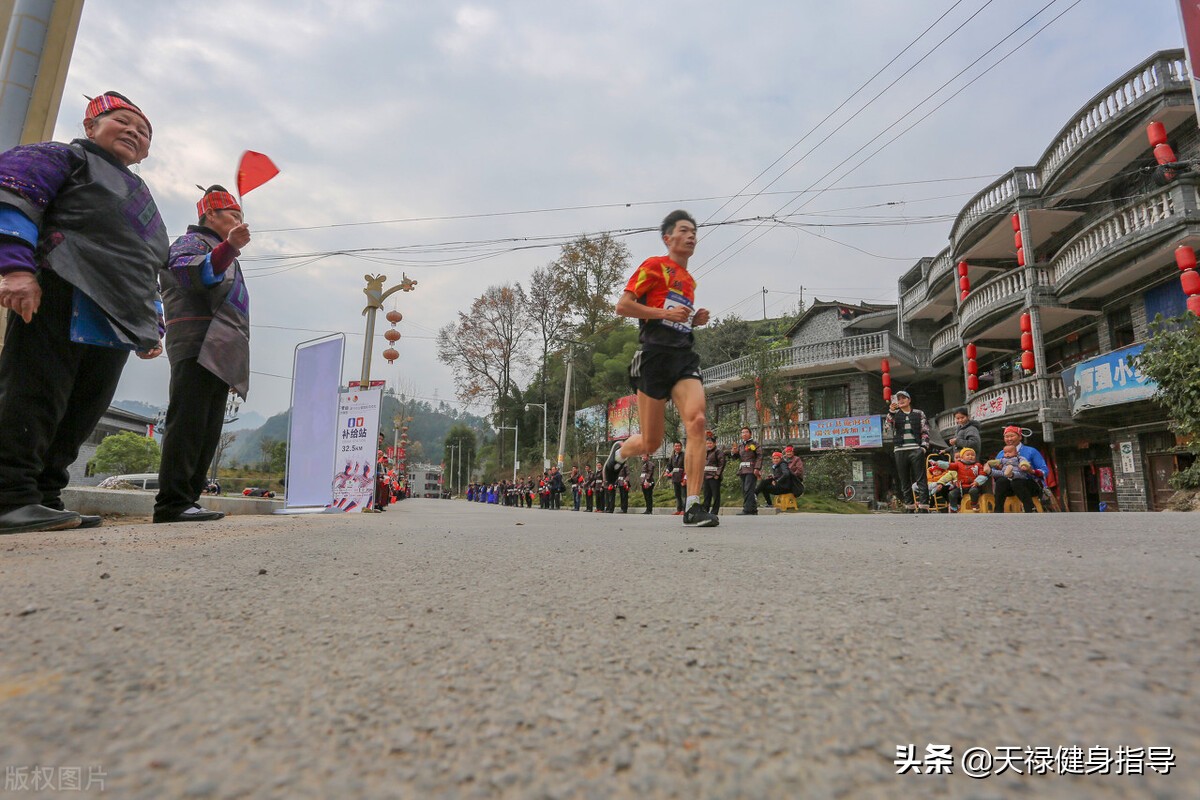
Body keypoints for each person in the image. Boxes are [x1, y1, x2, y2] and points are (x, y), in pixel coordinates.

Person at [0, 92, 166, 534]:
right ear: (91, 126)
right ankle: (9, 497)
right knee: (34, 395)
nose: (133, 131)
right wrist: (16, 269)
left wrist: (151, 322)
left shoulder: (141, 196)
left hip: (115, 315)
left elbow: (147, 263)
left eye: (143, 130)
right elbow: (15, 195)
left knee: (82, 409)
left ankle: (46, 496)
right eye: (121, 120)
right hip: (60, 290)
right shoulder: (63, 157)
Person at [602, 210, 718, 527]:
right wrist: (663, 313)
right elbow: (623, 306)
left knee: (697, 421)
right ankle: (619, 453)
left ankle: (693, 506)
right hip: (653, 358)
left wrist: (693, 321)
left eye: (694, 231)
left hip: (682, 358)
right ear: (668, 238)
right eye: (684, 230)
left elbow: (676, 319)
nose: (691, 235)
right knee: (651, 443)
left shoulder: (689, 281)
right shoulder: (654, 266)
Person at [152, 185, 252, 523]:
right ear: (210, 214)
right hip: (196, 342)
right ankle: (172, 503)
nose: (239, 221)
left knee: (208, 429)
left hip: (221, 349)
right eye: (233, 215)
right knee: (188, 423)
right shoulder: (190, 243)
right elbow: (194, 274)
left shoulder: (222, 251)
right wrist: (230, 247)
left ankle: (189, 499)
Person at [888, 390, 931, 512]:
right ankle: (909, 506)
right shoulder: (894, 414)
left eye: (903, 398)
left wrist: (923, 448)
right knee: (904, 479)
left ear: (909, 400)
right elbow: (887, 427)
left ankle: (924, 506)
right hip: (900, 449)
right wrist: (891, 411)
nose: (901, 400)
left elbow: (925, 431)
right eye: (898, 399)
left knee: (921, 478)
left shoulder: (919, 413)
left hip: (916, 449)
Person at [990, 426, 1048, 513]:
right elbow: (995, 472)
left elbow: (1044, 471)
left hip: (1029, 485)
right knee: (1001, 481)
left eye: (1012, 436)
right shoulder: (1002, 453)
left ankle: (1030, 509)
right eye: (1006, 436)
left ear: (1020, 437)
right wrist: (998, 468)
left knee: (1017, 481)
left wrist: (1031, 471)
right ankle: (998, 511)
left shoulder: (1031, 451)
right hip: (1009, 486)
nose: (1009, 439)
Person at [935, 448, 990, 512]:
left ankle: (974, 504)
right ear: (962, 457)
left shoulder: (978, 465)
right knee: (952, 494)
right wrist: (939, 463)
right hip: (961, 487)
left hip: (973, 486)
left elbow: (982, 474)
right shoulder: (958, 464)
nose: (970, 456)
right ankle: (953, 507)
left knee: (973, 491)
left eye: (972, 455)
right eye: (968, 455)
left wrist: (977, 482)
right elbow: (949, 465)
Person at [730, 426, 762, 515]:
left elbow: (759, 456)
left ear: (750, 434)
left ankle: (747, 509)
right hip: (742, 470)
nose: (744, 434)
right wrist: (733, 452)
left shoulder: (755, 444)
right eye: (743, 432)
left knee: (748, 489)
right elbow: (736, 457)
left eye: (746, 432)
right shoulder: (741, 445)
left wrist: (757, 468)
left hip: (751, 469)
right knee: (745, 490)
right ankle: (753, 509)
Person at [701, 432, 726, 515]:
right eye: (707, 443)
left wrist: (717, 474)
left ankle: (714, 512)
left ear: (715, 443)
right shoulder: (705, 452)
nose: (709, 445)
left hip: (714, 476)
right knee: (706, 494)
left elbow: (722, 464)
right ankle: (705, 510)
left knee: (715, 495)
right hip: (706, 476)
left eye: (710, 443)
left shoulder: (718, 452)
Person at [666, 441, 686, 514]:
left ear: (681, 447)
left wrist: (685, 478)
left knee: (683, 495)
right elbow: (669, 466)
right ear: (674, 447)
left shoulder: (684, 455)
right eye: (676, 446)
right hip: (675, 477)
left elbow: (687, 467)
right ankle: (678, 509)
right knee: (677, 495)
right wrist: (667, 471)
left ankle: (684, 510)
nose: (677, 447)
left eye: (678, 446)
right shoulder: (672, 456)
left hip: (682, 477)